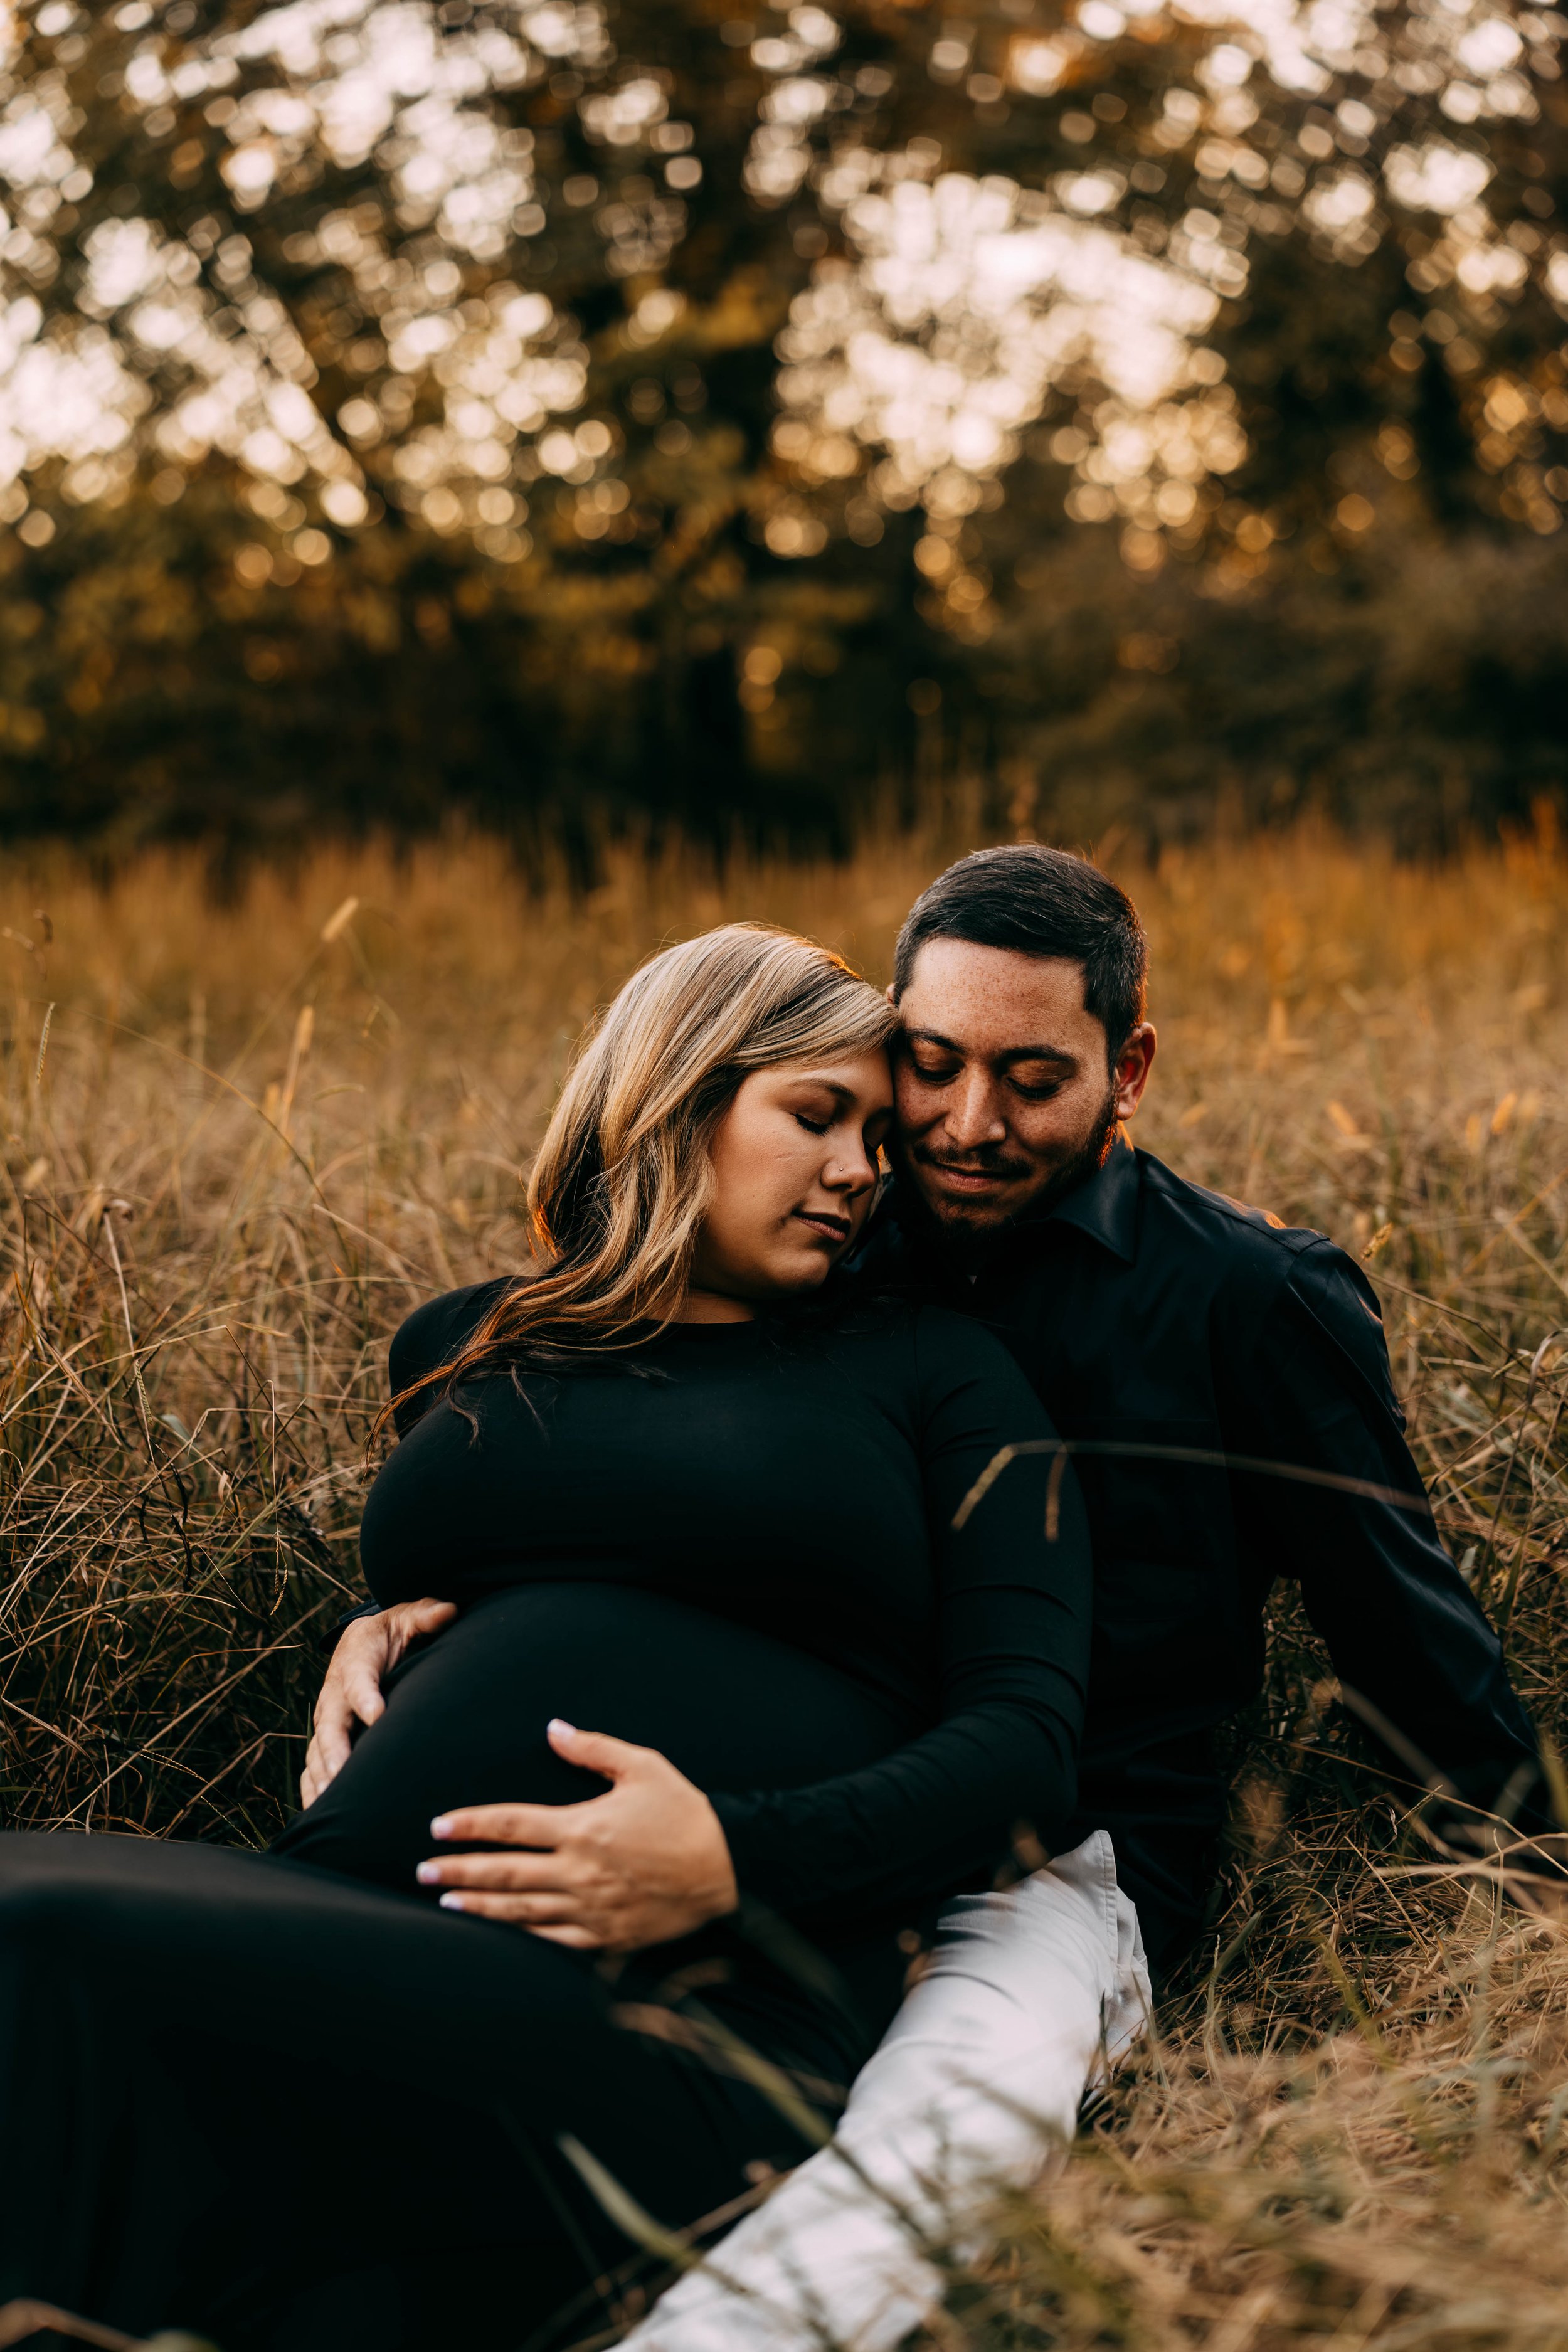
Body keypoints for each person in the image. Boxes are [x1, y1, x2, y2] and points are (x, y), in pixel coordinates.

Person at [312, 846, 1546, 2352]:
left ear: (1127, 1066)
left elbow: (1404, 1632)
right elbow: (643, 1458)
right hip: (783, 1798)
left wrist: (1524, 1893)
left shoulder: (1246, 1300)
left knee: (934, 2148)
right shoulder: (832, 1231)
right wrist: (412, 1613)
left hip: (1051, 1860)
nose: (965, 1124)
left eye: (1032, 1078)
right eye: (931, 1067)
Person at [0, 923, 1093, 2352]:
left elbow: (1027, 1748)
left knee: (37, 1937)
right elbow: (529, 1570)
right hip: (357, 1916)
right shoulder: (467, 1343)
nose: (857, 1170)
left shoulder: (933, 1372)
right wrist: (375, 1627)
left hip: (681, 2009)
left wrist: (732, 1860)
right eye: (815, 1115)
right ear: (673, 1096)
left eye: (874, 1138)